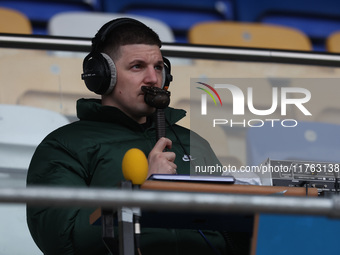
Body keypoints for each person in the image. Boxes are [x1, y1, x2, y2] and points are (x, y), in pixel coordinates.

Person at [26, 18, 231, 255]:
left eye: (158, 67)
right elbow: (62, 239)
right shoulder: (63, 146)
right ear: (102, 76)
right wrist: (142, 190)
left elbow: (235, 234)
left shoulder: (193, 143)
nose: (153, 79)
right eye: (137, 66)